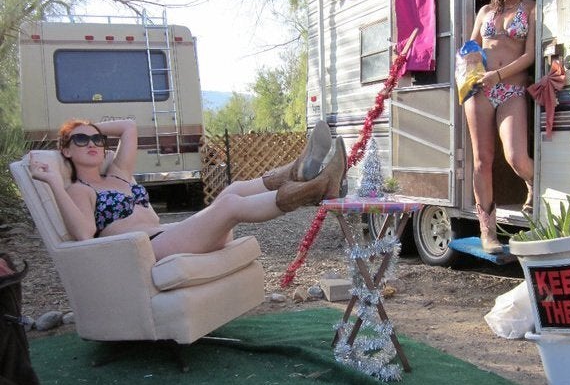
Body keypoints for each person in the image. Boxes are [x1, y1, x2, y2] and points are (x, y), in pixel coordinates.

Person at [29, 118, 346, 261]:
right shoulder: (78, 190)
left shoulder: (119, 173)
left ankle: (298, 171)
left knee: (232, 189)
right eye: (80, 140)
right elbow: (84, 236)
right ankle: (315, 189)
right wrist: (54, 181)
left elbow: (129, 126)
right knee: (230, 205)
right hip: (148, 249)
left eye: (97, 139)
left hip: (173, 235)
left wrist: (90, 124)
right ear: (66, 151)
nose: (93, 144)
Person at [464, 0, 535, 253]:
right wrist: (469, 74)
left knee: (516, 156)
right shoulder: (484, 13)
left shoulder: (532, 9)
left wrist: (499, 75)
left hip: (511, 89)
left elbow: (530, 56)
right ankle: (487, 231)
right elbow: (471, 48)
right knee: (482, 161)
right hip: (479, 90)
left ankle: (536, 189)